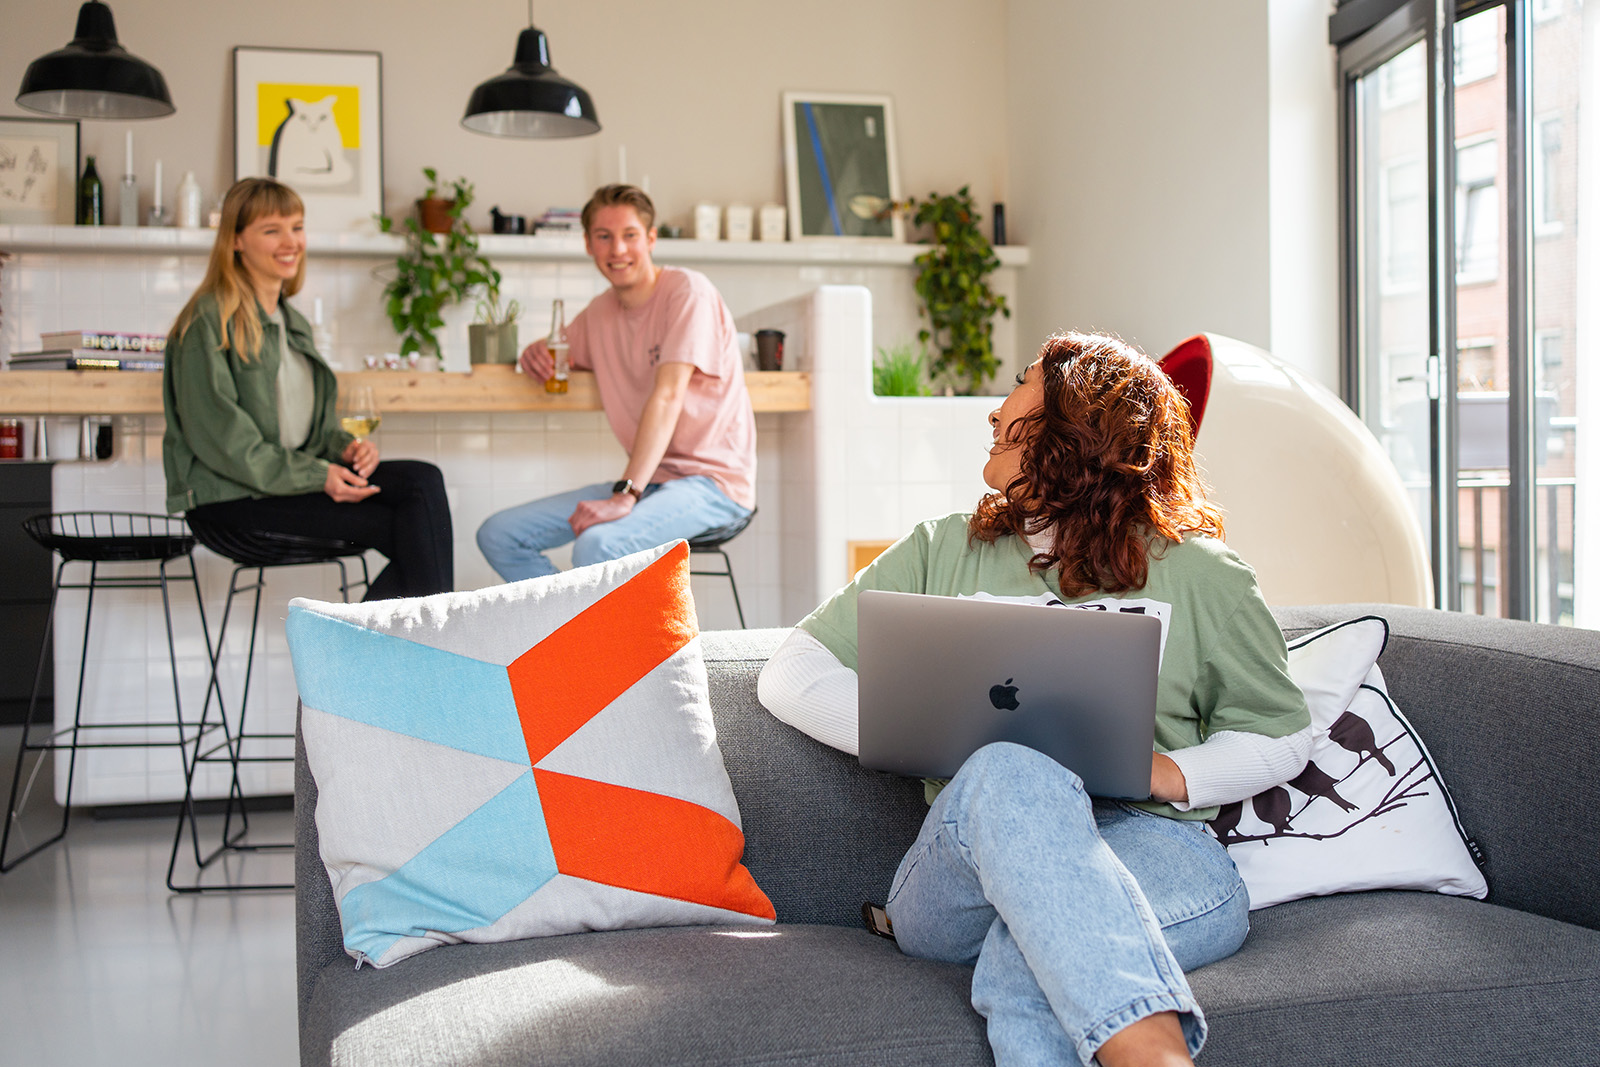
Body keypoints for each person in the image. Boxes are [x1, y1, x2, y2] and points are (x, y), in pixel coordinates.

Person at [758, 332, 1312, 1067]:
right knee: (1013, 768)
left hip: (1158, 848)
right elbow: (791, 671)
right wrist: (923, 729)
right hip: (965, 866)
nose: (996, 406)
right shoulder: (940, 549)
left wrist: (1166, 773)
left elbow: (1279, 731)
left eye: (1022, 381)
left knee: (1029, 961)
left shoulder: (1204, 575)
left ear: (1081, 423)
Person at [163, 177, 453, 601]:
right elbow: (226, 443)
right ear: (236, 240)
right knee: (411, 529)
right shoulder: (208, 321)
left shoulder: (292, 322)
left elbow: (308, 433)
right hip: (230, 498)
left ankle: (402, 658)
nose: (290, 242)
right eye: (271, 230)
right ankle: (420, 655)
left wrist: (345, 449)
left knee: (423, 482)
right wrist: (320, 474)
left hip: (286, 481)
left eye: (296, 227)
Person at [476, 184, 755, 581]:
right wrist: (535, 351)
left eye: (629, 236)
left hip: (712, 485)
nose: (617, 250)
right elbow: (560, 350)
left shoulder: (688, 292)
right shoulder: (598, 314)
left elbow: (668, 395)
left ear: (651, 239)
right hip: (651, 481)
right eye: (603, 237)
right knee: (500, 534)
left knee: (598, 546)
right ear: (588, 244)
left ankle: (588, 640)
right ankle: (569, 635)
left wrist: (625, 495)